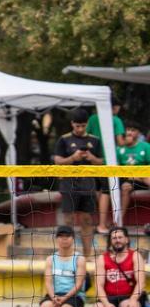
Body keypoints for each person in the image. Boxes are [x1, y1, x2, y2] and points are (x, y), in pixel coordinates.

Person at [54, 107, 105, 259]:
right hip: (68, 183)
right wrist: (72, 159)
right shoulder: (64, 139)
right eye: (77, 126)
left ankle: (87, 256)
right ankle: (67, 254)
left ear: (87, 124)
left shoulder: (95, 140)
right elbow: (57, 161)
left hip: (88, 184)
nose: (80, 129)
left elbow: (102, 162)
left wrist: (92, 158)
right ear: (72, 124)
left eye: (83, 125)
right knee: (68, 220)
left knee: (87, 220)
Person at [89, 226, 145, 307]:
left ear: (127, 239)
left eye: (120, 237)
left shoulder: (135, 255)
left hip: (129, 296)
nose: (117, 240)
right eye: (114, 238)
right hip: (109, 296)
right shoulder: (103, 258)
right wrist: (106, 304)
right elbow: (99, 285)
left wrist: (133, 300)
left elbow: (141, 283)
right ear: (110, 241)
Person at [37, 226, 86, 307]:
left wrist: (63, 299)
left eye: (67, 236)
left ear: (73, 239)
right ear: (57, 239)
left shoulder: (79, 259)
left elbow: (79, 284)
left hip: (74, 295)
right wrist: (53, 297)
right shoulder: (50, 259)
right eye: (61, 236)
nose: (64, 239)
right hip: (55, 294)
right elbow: (48, 282)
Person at [111, 123, 150, 230]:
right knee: (126, 187)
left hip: (143, 178)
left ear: (138, 133)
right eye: (127, 129)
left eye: (133, 130)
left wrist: (140, 175)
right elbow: (115, 168)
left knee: (146, 177)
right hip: (127, 179)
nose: (129, 132)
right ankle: (118, 223)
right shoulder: (119, 149)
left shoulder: (145, 146)